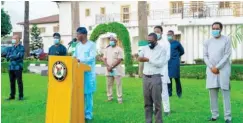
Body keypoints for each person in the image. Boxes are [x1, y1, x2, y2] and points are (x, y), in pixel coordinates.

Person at [204, 22, 232, 123]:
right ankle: (214, 115)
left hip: (223, 70)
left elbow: (227, 55)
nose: (215, 30)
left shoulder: (227, 40)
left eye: (217, 28)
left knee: (225, 94)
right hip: (211, 71)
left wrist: (218, 67)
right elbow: (205, 56)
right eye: (213, 28)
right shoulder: (207, 41)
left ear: (221, 29)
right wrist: (212, 67)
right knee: (212, 95)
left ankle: (228, 117)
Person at [138, 33, 166, 123]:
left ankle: (158, 121)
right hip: (145, 78)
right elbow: (140, 55)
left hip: (156, 77)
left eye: (151, 41)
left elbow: (160, 64)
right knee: (147, 103)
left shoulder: (162, 50)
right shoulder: (145, 48)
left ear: (156, 40)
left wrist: (148, 60)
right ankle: (148, 121)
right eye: (148, 40)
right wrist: (139, 57)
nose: (149, 42)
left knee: (157, 103)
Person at [73, 27, 96, 120]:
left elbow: (92, 58)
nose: (77, 36)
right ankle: (80, 112)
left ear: (84, 34)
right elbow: (74, 56)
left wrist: (80, 60)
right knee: (80, 94)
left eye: (78, 34)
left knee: (88, 95)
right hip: (79, 74)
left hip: (88, 74)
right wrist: (73, 59)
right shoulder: (78, 46)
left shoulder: (92, 45)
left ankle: (88, 114)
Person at [154, 26, 171, 116]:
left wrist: (160, 63)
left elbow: (167, 56)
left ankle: (167, 110)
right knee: (154, 91)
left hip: (163, 69)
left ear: (161, 32)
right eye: (155, 31)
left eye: (158, 31)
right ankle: (154, 109)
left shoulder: (166, 43)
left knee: (164, 91)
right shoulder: (152, 42)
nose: (156, 33)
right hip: (153, 70)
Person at [103, 36, 124, 104]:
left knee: (118, 84)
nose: (111, 41)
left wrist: (111, 67)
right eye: (110, 40)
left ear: (116, 41)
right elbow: (104, 58)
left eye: (112, 40)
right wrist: (108, 66)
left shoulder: (119, 49)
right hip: (108, 69)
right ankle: (109, 97)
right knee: (109, 84)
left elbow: (119, 59)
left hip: (117, 69)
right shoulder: (107, 49)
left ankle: (119, 99)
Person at [6, 35, 25, 100]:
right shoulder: (11, 48)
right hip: (11, 67)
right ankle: (12, 95)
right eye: (12, 38)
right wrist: (13, 56)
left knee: (19, 82)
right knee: (12, 82)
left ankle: (21, 96)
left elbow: (20, 56)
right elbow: (7, 56)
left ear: (18, 39)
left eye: (14, 38)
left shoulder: (22, 48)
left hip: (18, 67)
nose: (13, 39)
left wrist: (12, 56)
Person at [167, 30, 184, 98]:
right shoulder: (166, 44)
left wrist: (177, 56)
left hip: (175, 63)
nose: (169, 36)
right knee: (169, 78)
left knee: (177, 78)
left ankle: (179, 93)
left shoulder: (177, 43)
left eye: (170, 34)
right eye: (167, 35)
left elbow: (182, 51)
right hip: (168, 63)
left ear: (173, 35)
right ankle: (169, 92)